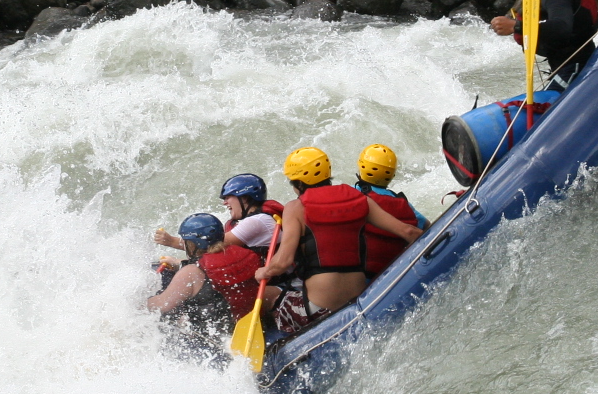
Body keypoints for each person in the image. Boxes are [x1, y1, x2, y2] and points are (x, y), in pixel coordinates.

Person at [257, 147, 423, 336]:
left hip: (320, 309)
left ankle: (273, 347)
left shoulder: (295, 208)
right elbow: (408, 231)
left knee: (266, 295)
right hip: (359, 299)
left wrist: (263, 271)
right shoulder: (359, 199)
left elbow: (283, 261)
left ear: (299, 183)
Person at [147, 214, 265, 345]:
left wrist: (140, 303)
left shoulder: (192, 272)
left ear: (193, 244)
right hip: (247, 327)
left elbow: (162, 306)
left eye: (186, 241)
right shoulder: (247, 255)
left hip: (212, 342)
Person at [153, 174, 282, 255]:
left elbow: (210, 246)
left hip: (280, 285)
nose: (224, 203)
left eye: (227, 198)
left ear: (245, 198)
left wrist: (171, 241)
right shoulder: (257, 219)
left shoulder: (257, 221)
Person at [351, 143, 426, 278]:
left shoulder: (350, 193)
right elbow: (427, 227)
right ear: (392, 174)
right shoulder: (402, 202)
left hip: (359, 278)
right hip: (391, 275)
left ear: (361, 166)